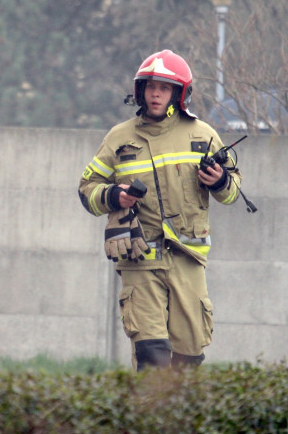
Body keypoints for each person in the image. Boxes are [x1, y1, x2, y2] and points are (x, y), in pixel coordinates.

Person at [78, 49, 244, 370]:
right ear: (140, 90)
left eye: (164, 87)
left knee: (188, 360)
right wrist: (114, 196)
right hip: (139, 261)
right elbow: (87, 189)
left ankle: (180, 419)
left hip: (188, 260)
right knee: (152, 358)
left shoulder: (203, 135)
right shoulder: (119, 138)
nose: (155, 94)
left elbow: (233, 191)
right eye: (150, 86)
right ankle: (148, 419)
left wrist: (220, 180)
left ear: (178, 94)